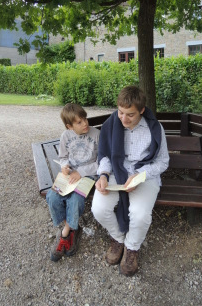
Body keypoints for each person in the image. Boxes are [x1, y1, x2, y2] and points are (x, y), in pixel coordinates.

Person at [91, 86, 169, 276]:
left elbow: (163, 162)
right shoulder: (112, 124)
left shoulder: (155, 128)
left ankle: (132, 247)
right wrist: (103, 174)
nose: (123, 119)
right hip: (117, 172)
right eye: (121, 112)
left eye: (130, 115)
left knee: (140, 214)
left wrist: (140, 174)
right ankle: (118, 238)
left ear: (142, 110)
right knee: (98, 209)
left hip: (145, 175)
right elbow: (106, 155)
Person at [46, 103, 100, 262]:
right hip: (69, 175)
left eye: (85, 119)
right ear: (69, 126)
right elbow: (63, 157)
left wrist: (81, 172)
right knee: (52, 197)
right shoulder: (65, 136)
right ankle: (71, 227)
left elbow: (101, 162)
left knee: (75, 200)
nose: (85, 124)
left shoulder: (96, 134)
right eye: (79, 122)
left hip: (88, 175)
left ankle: (66, 233)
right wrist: (64, 166)